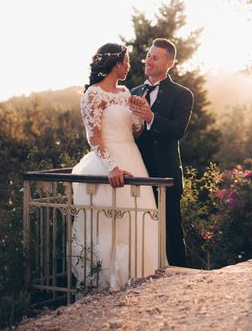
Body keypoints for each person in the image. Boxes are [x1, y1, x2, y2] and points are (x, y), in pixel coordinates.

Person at [70, 43, 160, 292]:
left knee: (137, 219)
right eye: (126, 60)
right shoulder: (93, 94)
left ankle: (140, 278)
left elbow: (134, 131)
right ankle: (108, 284)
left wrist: (140, 114)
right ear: (115, 64)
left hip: (133, 158)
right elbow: (94, 137)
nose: (129, 65)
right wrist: (111, 167)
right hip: (108, 163)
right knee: (111, 224)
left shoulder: (124, 92)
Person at [129, 38, 193, 267]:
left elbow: (177, 131)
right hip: (137, 175)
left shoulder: (182, 94)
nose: (148, 60)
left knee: (171, 232)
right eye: (148, 55)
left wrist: (150, 117)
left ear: (170, 63)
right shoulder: (133, 92)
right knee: (140, 229)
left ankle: (181, 278)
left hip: (165, 176)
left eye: (155, 57)